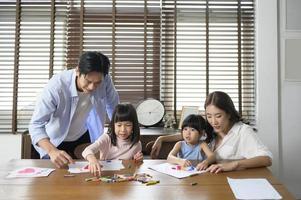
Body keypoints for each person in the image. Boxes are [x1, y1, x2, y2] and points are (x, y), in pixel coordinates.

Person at [29, 51, 119, 168]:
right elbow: (36, 124)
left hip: (82, 135)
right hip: (54, 140)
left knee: (87, 178)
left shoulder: (105, 80)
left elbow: (114, 109)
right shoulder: (56, 86)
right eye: (88, 81)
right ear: (77, 71)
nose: (92, 87)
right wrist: (51, 151)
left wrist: (118, 134)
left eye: (97, 83)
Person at [151, 91, 272, 173]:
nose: (213, 121)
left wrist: (234, 165)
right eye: (209, 116)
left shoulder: (243, 131)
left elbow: (266, 159)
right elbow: (188, 135)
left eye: (218, 116)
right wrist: (161, 138)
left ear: (228, 113)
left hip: (233, 181)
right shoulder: (210, 129)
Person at [82, 103, 143, 176]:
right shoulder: (107, 138)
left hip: (125, 178)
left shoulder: (136, 144)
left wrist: (137, 160)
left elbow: (134, 166)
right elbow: (86, 150)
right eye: (119, 125)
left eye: (128, 125)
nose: (123, 130)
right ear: (113, 125)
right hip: (106, 176)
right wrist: (92, 159)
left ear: (134, 126)